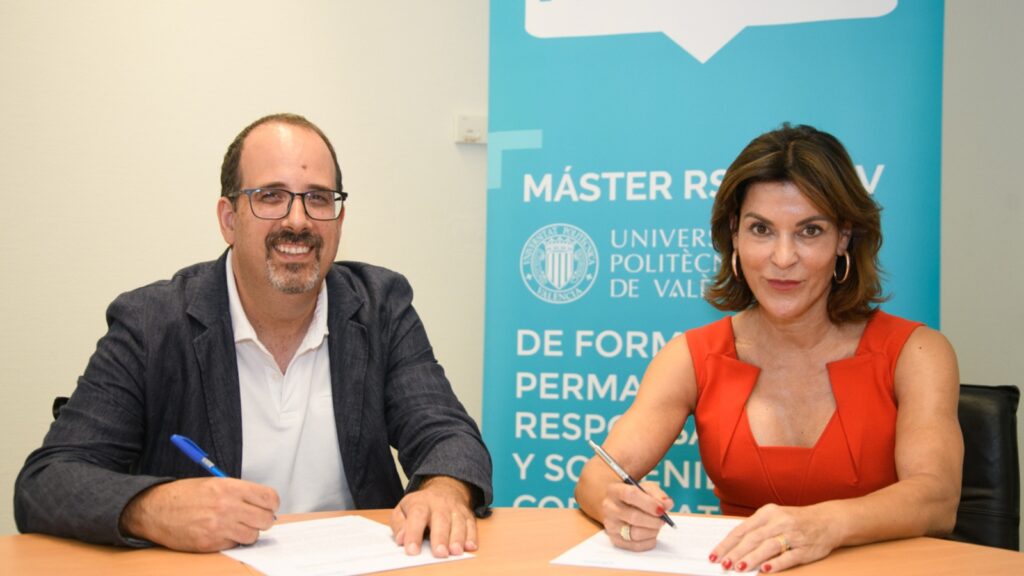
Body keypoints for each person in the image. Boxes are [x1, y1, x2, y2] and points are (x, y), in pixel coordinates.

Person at [15, 113, 493, 557]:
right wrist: (152, 507)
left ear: (339, 219)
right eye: (270, 196)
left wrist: (444, 489)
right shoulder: (151, 323)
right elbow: (47, 481)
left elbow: (447, 434)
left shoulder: (379, 306)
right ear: (229, 219)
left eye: (318, 198)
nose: (298, 221)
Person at [574, 124, 962, 573]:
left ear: (844, 238)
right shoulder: (691, 355)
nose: (782, 258)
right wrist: (618, 505)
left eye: (809, 231)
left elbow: (937, 497)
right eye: (761, 229)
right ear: (734, 234)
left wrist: (825, 525)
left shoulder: (917, 353)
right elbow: (596, 476)